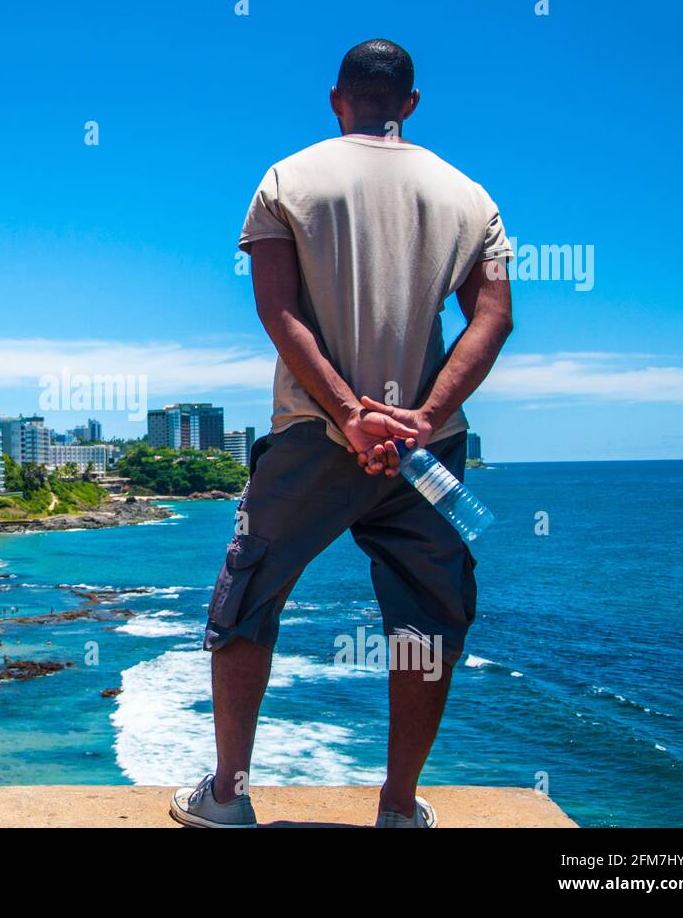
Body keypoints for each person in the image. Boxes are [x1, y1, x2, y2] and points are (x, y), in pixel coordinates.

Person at [171, 40, 513, 830]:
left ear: (337, 100)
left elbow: (277, 311)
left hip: (312, 438)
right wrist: (421, 418)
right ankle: (397, 808)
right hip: (427, 448)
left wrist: (348, 413)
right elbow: (491, 316)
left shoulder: (289, 180)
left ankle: (227, 793)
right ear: (413, 104)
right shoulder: (470, 197)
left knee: (248, 598)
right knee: (428, 620)